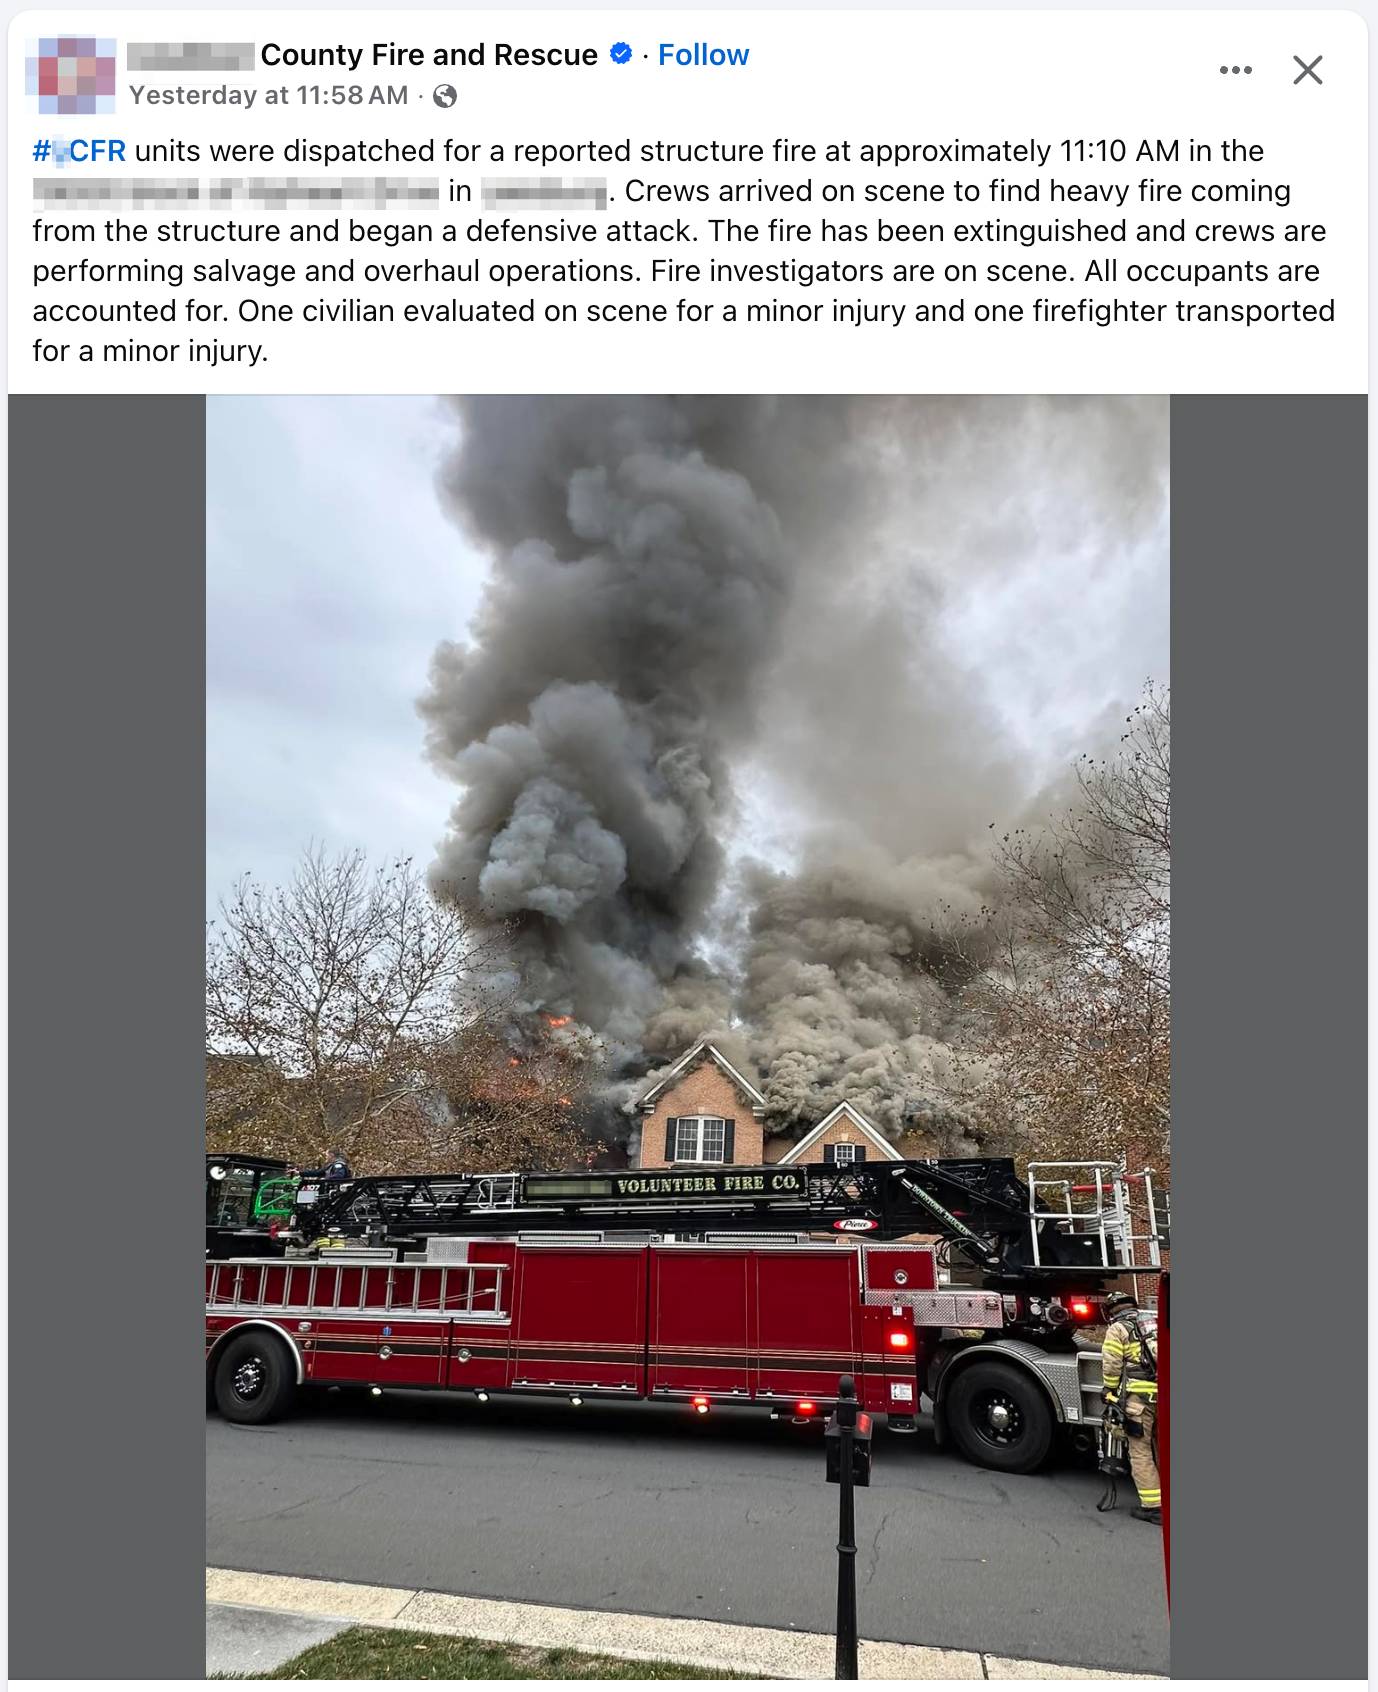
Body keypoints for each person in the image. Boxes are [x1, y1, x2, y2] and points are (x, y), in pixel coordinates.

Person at [1101, 1288, 1161, 1523]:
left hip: (1139, 1402)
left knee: (1141, 1451)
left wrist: (1108, 1390)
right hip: (1164, 1396)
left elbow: (1112, 1364)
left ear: (1111, 1312)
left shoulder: (1118, 1329)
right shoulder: (1153, 1325)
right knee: (1162, 1446)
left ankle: (1153, 1507)